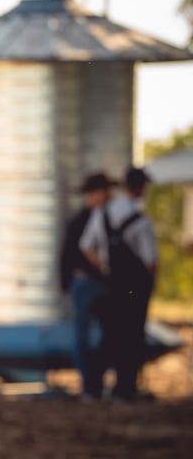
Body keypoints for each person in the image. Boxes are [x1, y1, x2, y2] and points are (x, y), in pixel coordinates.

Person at [79, 165, 158, 402]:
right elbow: (150, 261)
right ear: (140, 188)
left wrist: (105, 268)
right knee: (132, 336)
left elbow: (86, 246)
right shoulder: (140, 220)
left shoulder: (102, 214)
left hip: (112, 283)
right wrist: (149, 284)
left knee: (110, 335)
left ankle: (93, 388)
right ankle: (124, 389)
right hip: (134, 287)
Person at [58, 172, 113, 400]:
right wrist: (66, 284)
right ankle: (89, 384)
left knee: (107, 333)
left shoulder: (108, 218)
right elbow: (68, 254)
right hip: (86, 283)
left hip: (102, 284)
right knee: (82, 336)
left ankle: (96, 381)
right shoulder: (80, 221)